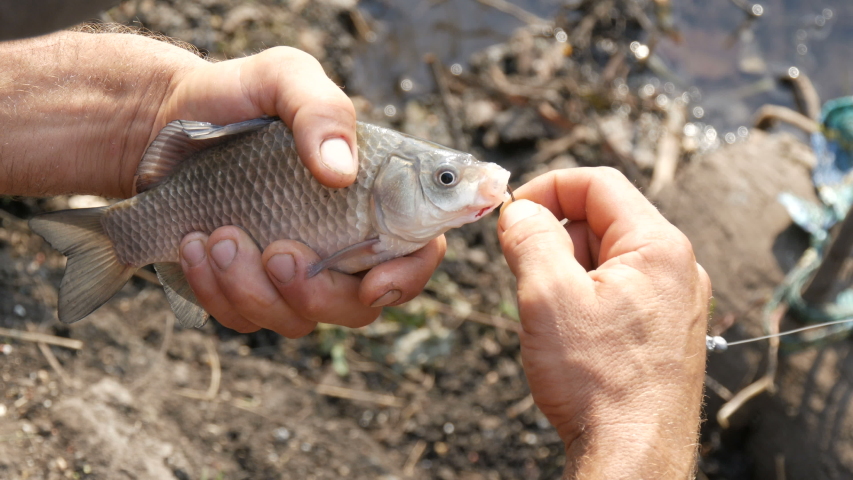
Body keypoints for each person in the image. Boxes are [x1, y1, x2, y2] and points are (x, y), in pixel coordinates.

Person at [0, 25, 710, 480]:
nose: (462, 187)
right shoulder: (368, 198)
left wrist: (152, 108)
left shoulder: (390, 228)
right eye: (441, 180)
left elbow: (179, 127)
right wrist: (634, 425)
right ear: (393, 185)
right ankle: (119, 241)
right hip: (187, 206)